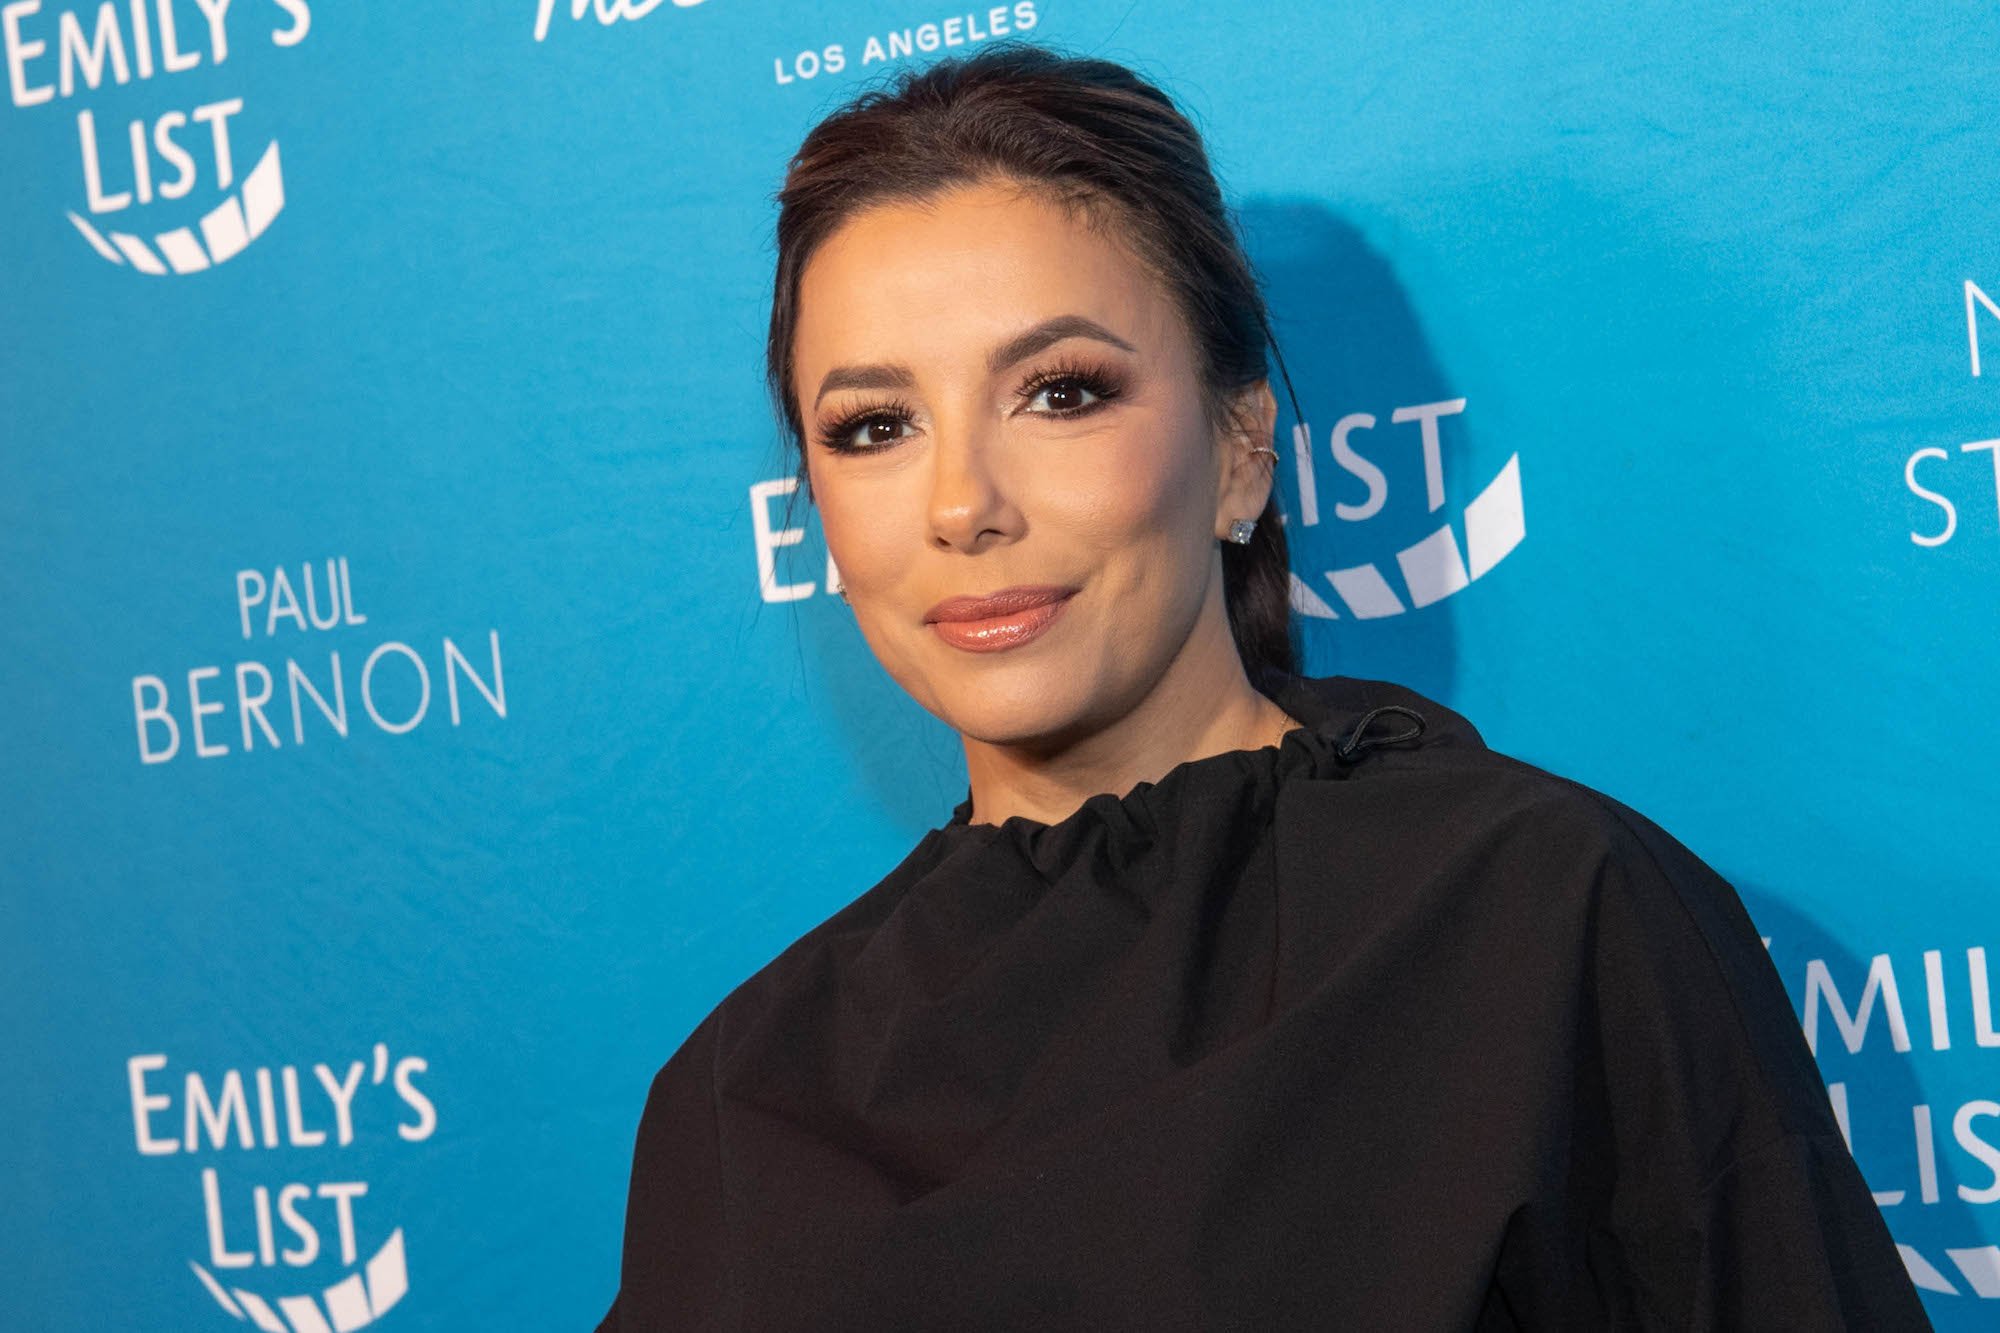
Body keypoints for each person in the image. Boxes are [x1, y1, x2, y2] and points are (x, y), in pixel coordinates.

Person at [597, 43, 1929, 1330]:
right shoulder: (736, 1094)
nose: (962, 504)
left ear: (1242, 449)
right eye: (875, 426)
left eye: (1060, 393)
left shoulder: (1550, 915)